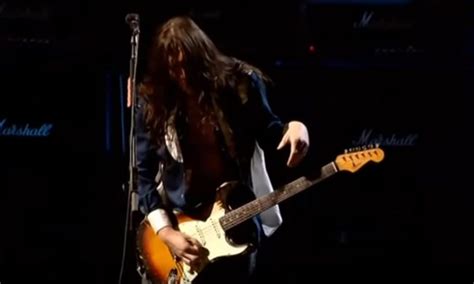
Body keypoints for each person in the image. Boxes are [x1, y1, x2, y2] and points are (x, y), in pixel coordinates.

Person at [131, 15, 310, 284]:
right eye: (174, 69)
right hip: (182, 225)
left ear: (203, 60)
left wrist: (296, 127)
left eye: (187, 67)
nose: (182, 77)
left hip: (237, 222)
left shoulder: (239, 85)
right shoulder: (154, 101)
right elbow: (143, 177)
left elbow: (270, 131)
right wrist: (167, 233)